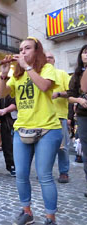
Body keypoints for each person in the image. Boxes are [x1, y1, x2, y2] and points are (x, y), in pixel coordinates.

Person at [0, 37, 62, 225]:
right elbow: (2, 93)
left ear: (36, 51)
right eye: (21, 49)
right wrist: (3, 74)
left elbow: (43, 86)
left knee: (44, 175)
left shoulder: (46, 68)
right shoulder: (16, 74)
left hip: (47, 128)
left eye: (27, 48)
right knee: (21, 174)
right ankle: (27, 212)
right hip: (22, 128)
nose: (23, 51)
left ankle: (50, 217)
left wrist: (26, 66)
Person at [46, 52, 71, 183]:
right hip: (43, 118)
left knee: (62, 148)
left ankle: (64, 172)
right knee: (45, 148)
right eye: (45, 57)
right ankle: (45, 172)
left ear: (54, 60)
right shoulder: (39, 76)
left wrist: (59, 93)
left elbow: (72, 92)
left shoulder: (62, 74)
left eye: (50, 57)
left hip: (59, 116)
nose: (47, 59)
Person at [67, 44, 87, 198]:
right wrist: (79, 100)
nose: (86, 55)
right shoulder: (76, 75)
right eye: (85, 52)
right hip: (84, 115)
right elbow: (70, 96)